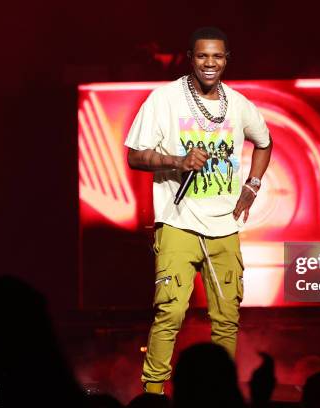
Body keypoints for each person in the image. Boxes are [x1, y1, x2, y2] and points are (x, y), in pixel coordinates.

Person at [124, 26, 272, 394]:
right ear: (191, 58)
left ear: (226, 60)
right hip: (177, 224)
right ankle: (153, 394)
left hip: (225, 227)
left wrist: (252, 186)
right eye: (203, 56)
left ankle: (220, 395)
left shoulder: (238, 104)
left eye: (217, 56)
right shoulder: (164, 99)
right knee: (170, 313)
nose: (210, 63)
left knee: (227, 318)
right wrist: (177, 161)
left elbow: (265, 143)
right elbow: (134, 155)